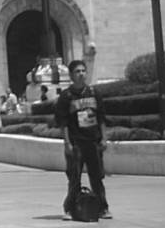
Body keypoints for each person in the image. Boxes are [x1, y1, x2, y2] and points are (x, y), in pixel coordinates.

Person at [55, 60, 110, 220]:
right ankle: (70, 208)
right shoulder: (66, 96)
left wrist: (104, 138)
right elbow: (63, 122)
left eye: (83, 71)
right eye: (77, 71)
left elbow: (101, 118)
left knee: (97, 176)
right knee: (74, 177)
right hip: (76, 142)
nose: (81, 74)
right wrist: (67, 143)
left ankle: (102, 208)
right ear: (71, 75)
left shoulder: (94, 93)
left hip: (93, 141)